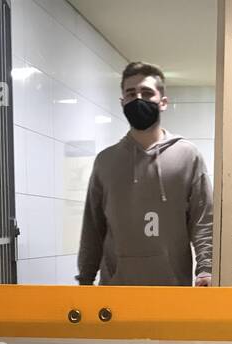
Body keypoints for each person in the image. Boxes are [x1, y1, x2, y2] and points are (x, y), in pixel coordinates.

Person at [76, 61, 213, 287]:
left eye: (147, 93)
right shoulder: (106, 161)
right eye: (131, 93)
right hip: (114, 294)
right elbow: (92, 227)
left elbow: (203, 220)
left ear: (163, 102)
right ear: (122, 102)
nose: (138, 99)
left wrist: (206, 269)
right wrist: (85, 279)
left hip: (171, 291)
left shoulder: (187, 156)